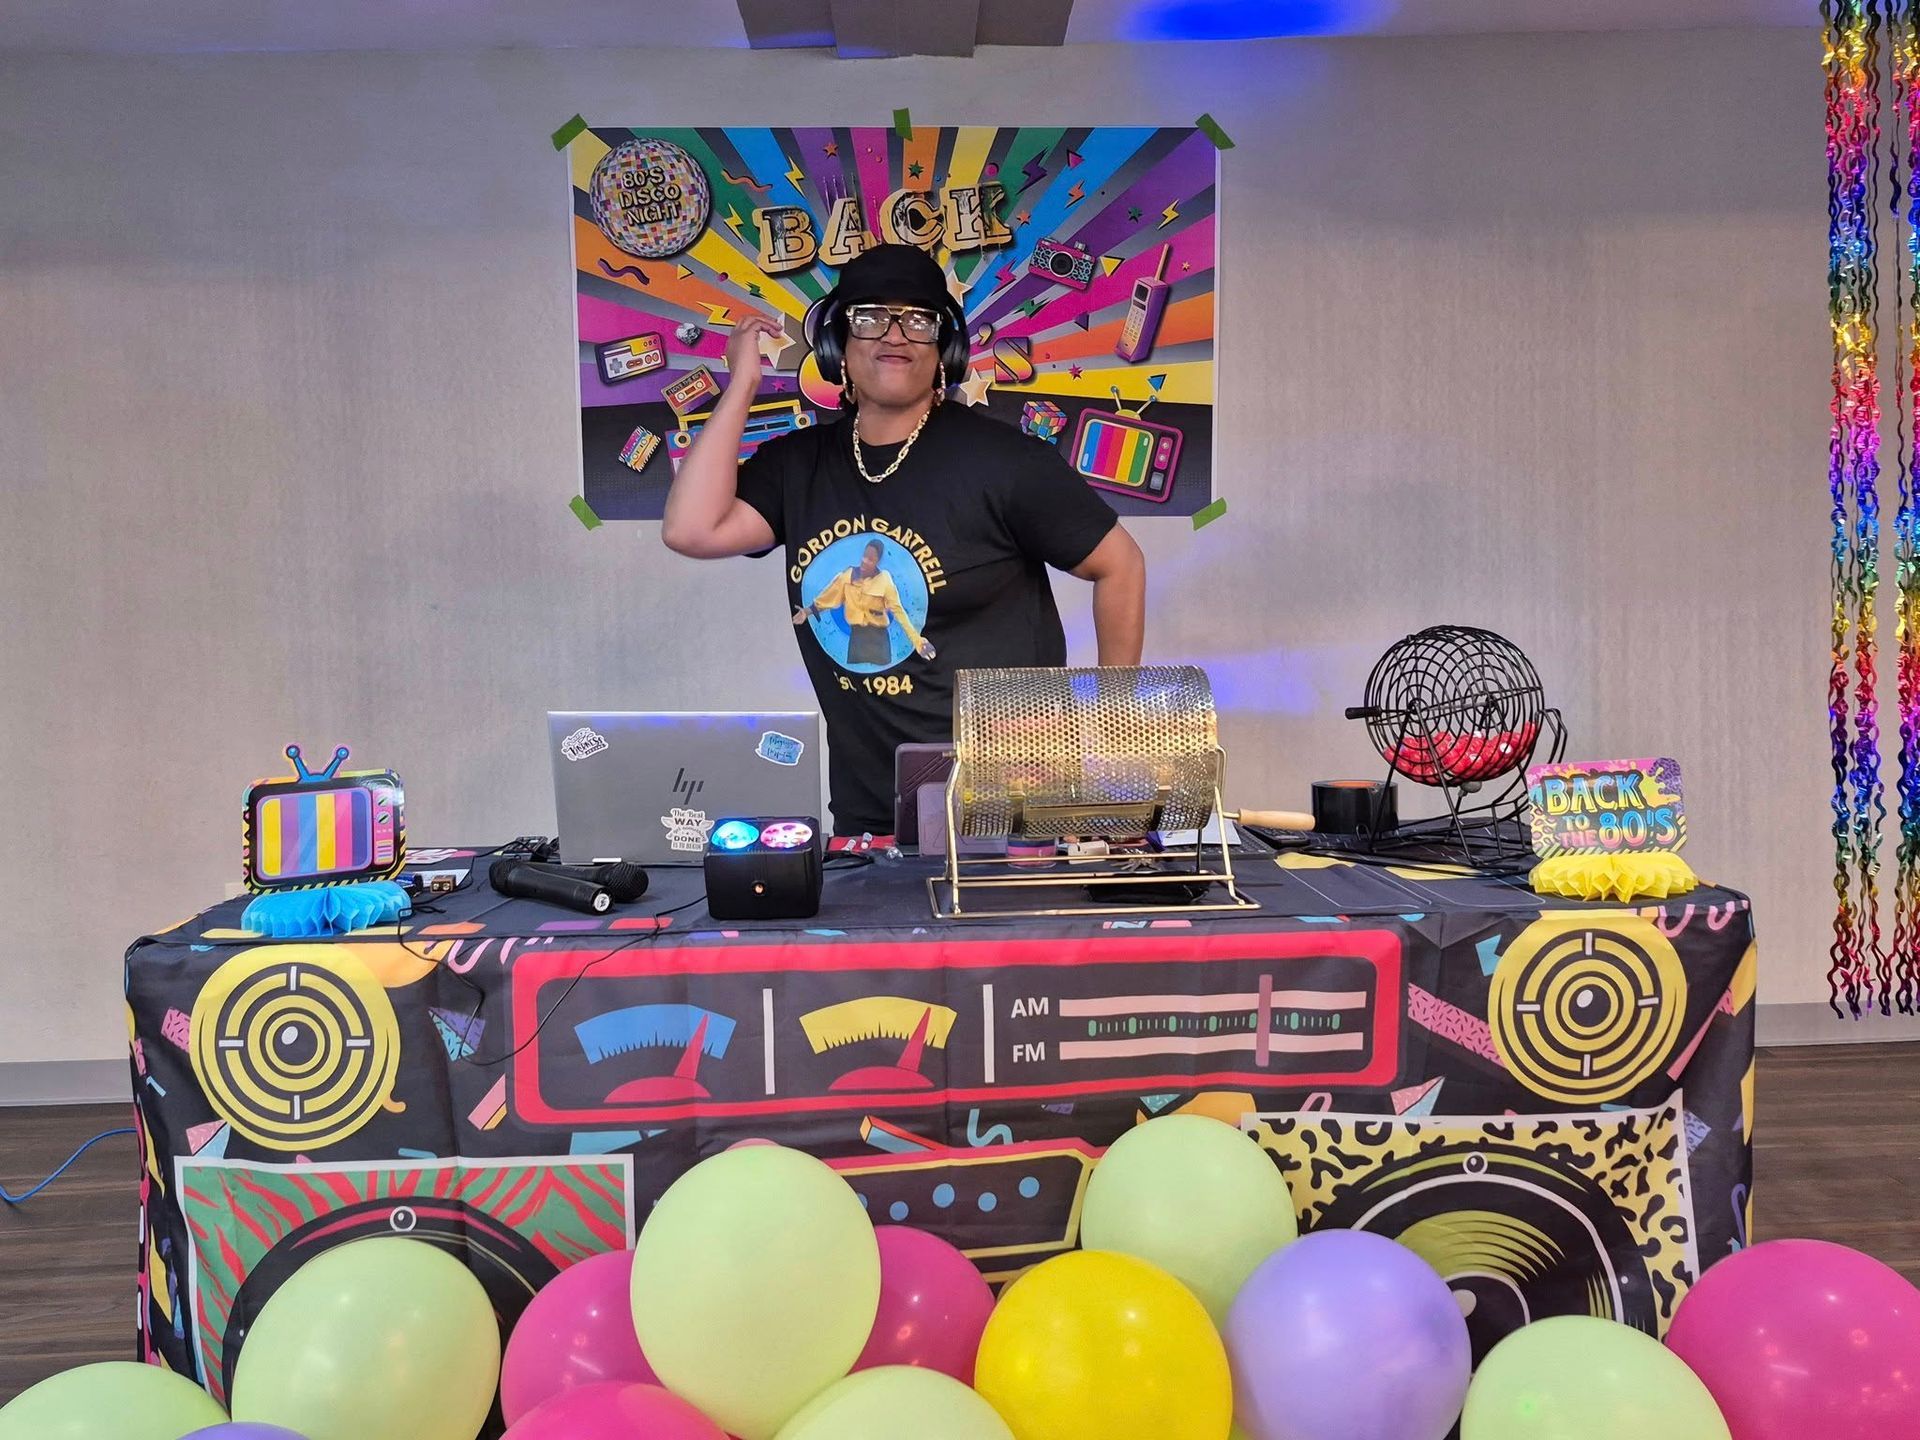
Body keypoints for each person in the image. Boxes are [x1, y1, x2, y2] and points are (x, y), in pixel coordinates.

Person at [661, 242, 1147, 838]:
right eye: (869, 318)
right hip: (870, 811)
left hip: (1011, 805)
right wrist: (742, 383)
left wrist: (1113, 726)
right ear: (837, 345)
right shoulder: (798, 466)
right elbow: (691, 529)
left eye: (918, 320)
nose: (894, 335)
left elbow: (1120, 563)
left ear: (944, 349)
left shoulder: (1004, 462)